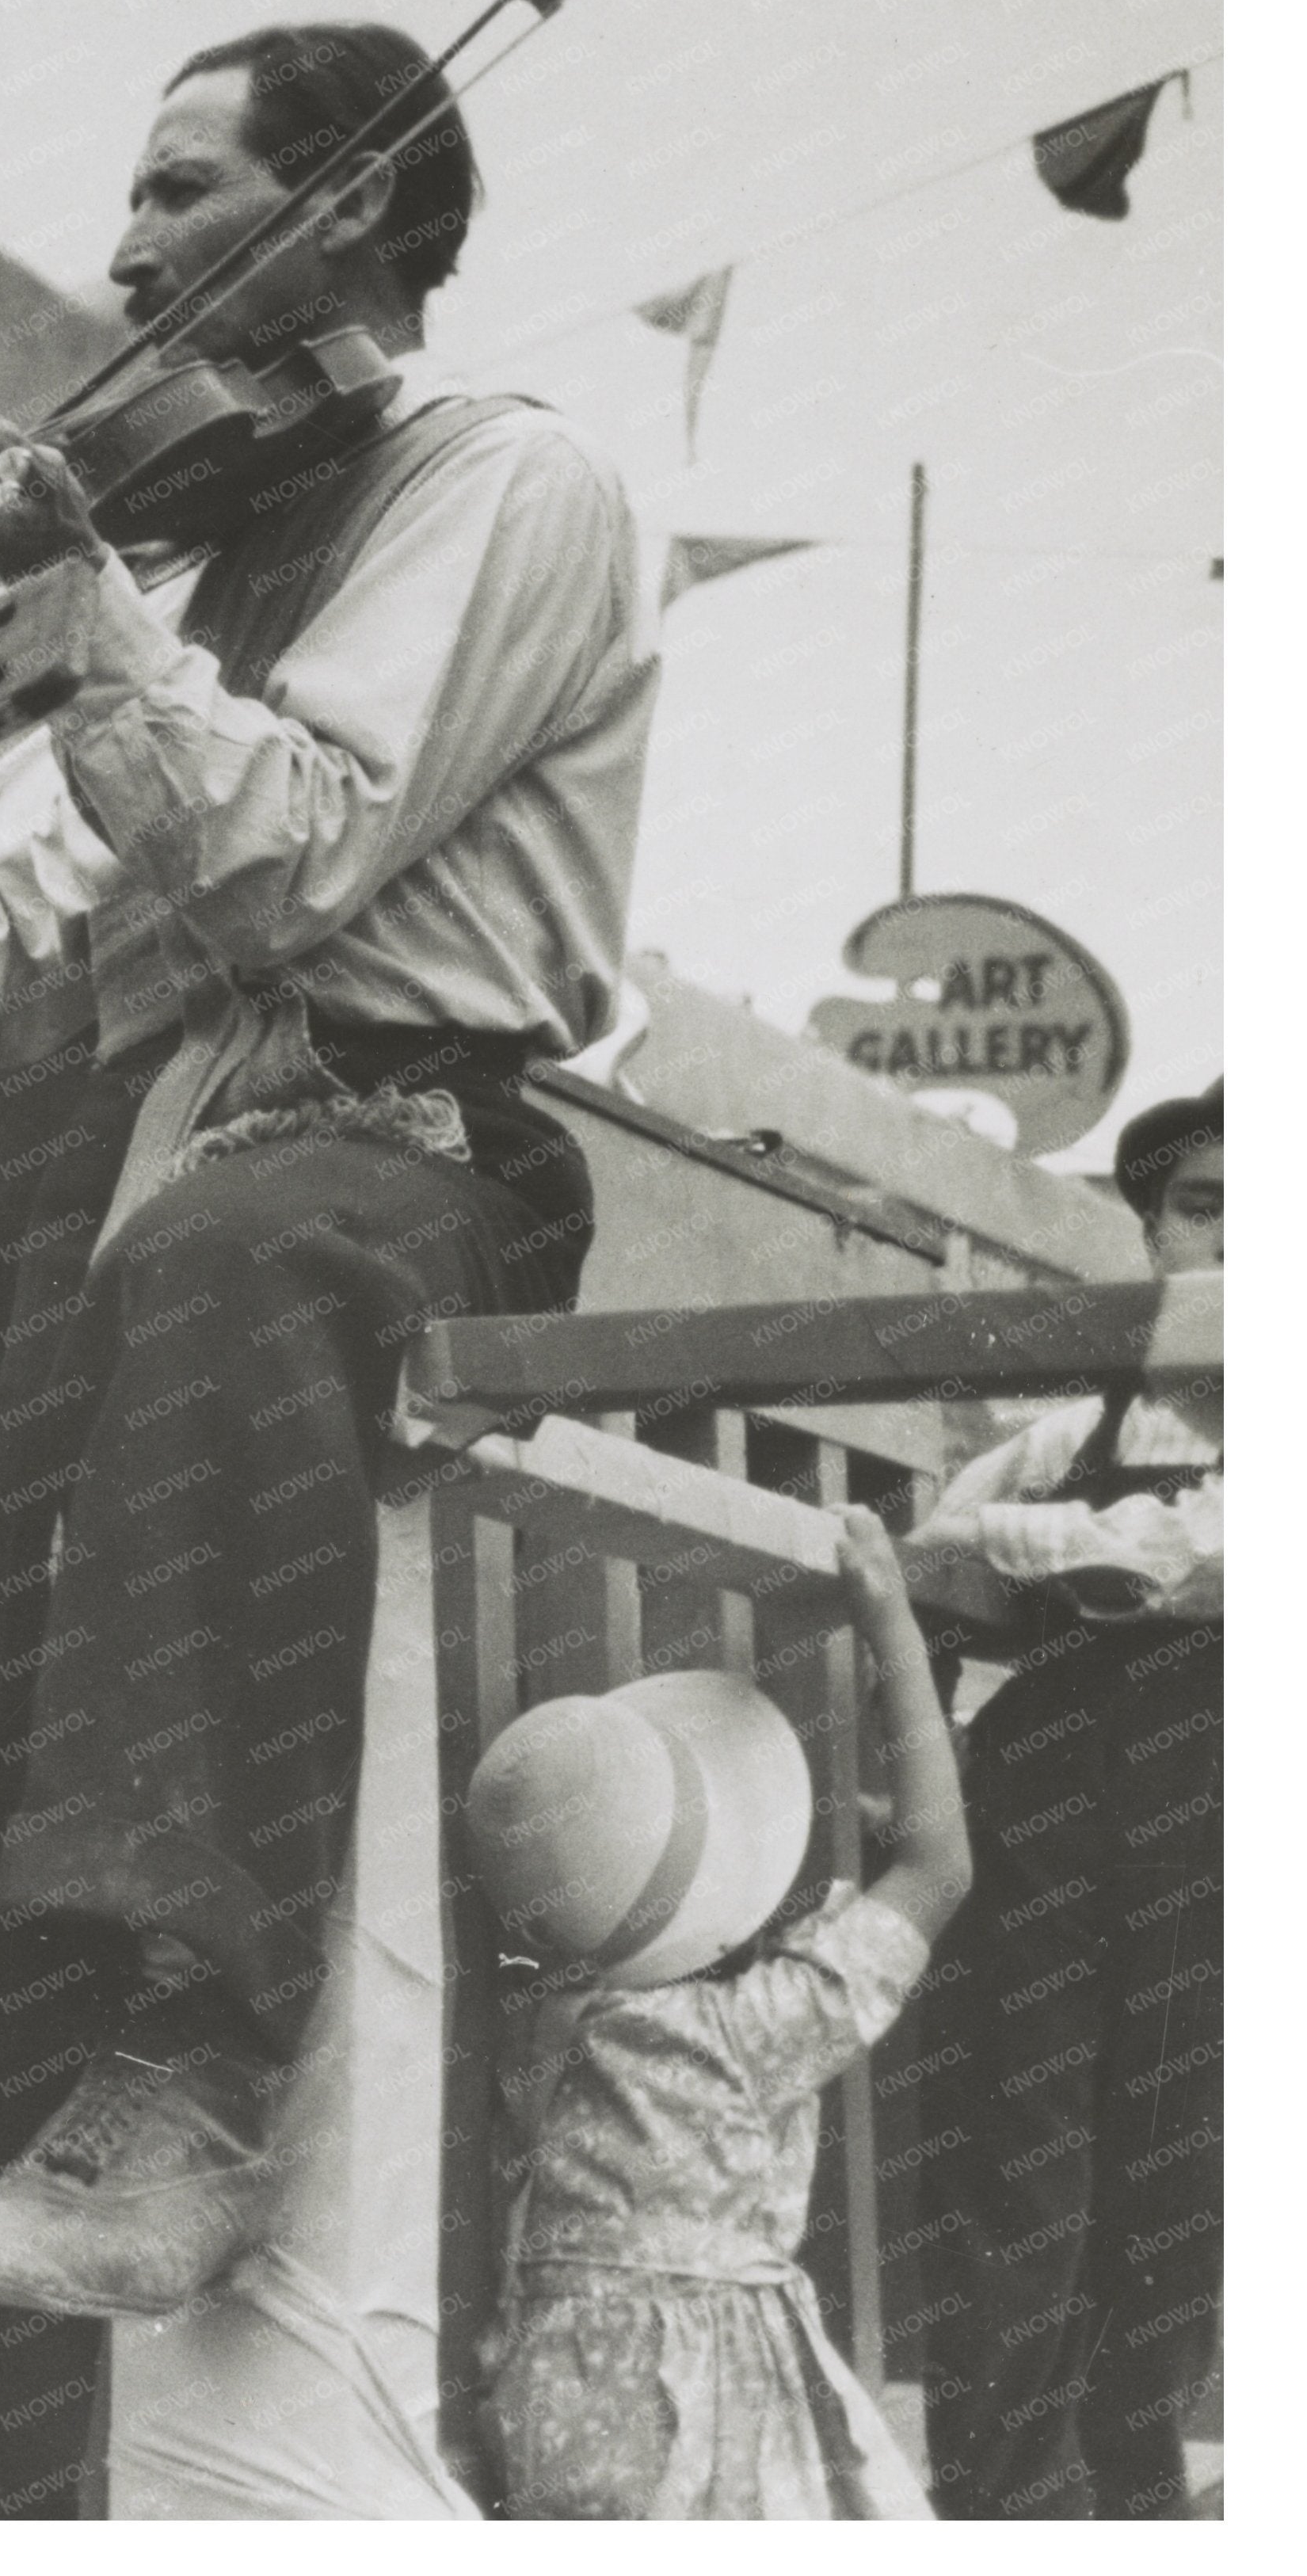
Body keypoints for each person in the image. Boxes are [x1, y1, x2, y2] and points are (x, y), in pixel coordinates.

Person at [0, 17, 651, 2318]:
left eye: (185, 186)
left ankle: (190, 2070)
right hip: (180, 1142)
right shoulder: (194, 564)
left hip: (409, 1144)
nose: (120, 247)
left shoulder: (505, 480)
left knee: (221, 1257)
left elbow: (288, 849)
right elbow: (13, 990)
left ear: (365, 203)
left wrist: (76, 611)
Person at [467, 1511, 966, 2517]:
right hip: (707, 2428)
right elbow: (937, 1867)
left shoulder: (534, 2034)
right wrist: (893, 1630)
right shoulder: (742, 2038)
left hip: (556, 2405)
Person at [908, 1078, 1223, 2518]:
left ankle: (1142, 2499)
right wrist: (1062, 1550)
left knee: (1185, 2169)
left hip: (1228, 1805)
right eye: (1205, 1210)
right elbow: (942, 1544)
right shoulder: (1075, 1424)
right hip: (1054, 1797)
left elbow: (1210, 1554)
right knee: (1021, 2154)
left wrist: (1068, 1557)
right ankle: (1002, 2507)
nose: (1237, 1246)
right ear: (1152, 1228)